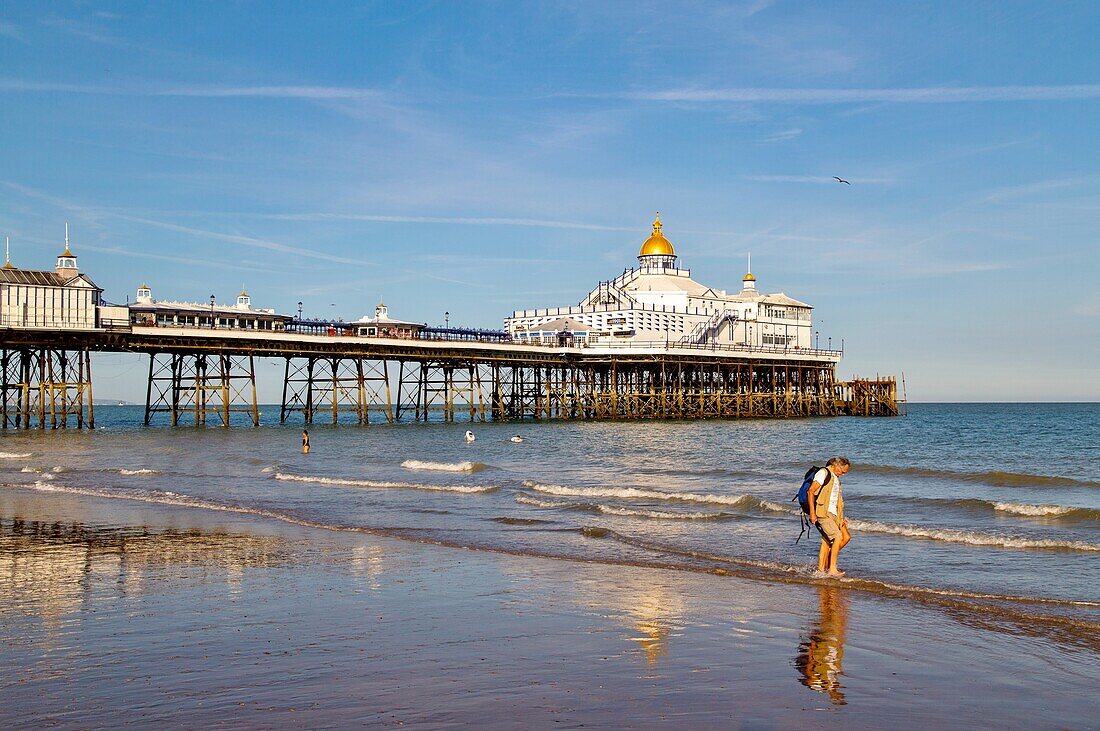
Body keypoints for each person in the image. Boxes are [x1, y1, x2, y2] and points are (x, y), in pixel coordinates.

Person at [807, 456, 851, 577]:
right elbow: (811, 491)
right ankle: (832, 568)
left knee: (842, 538)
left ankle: (821, 569)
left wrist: (841, 517)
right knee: (838, 536)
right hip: (823, 512)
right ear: (836, 465)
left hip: (835, 515)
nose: (843, 474)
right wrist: (812, 513)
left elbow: (837, 499)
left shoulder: (835, 477)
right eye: (842, 471)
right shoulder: (823, 473)